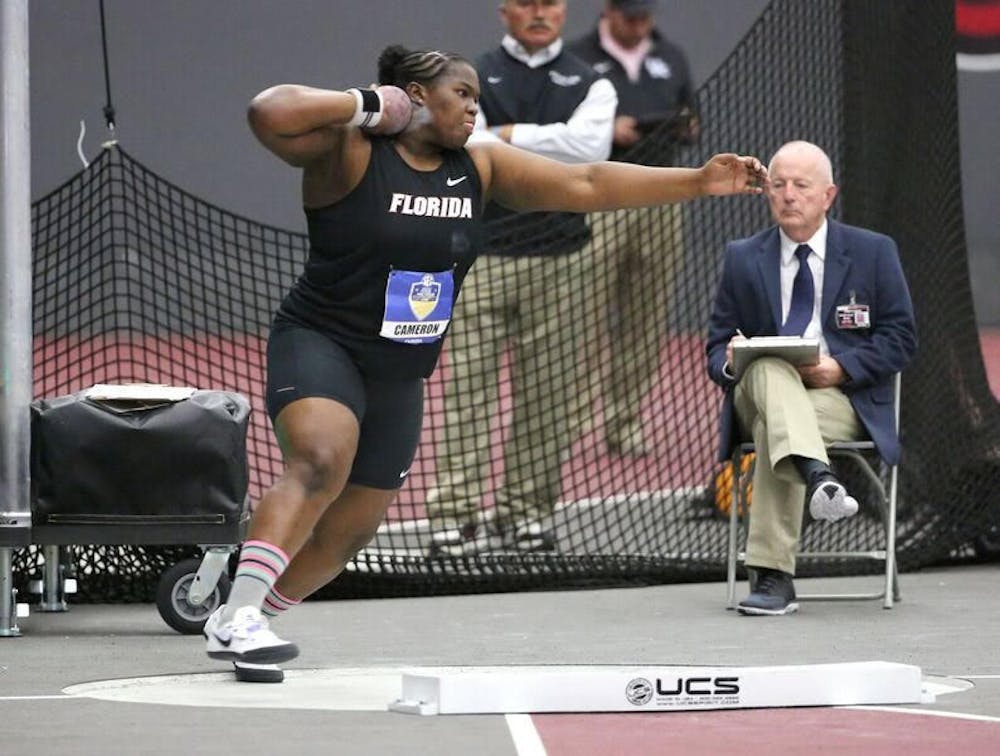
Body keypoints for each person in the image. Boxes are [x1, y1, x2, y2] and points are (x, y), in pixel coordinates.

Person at [203, 42, 767, 679]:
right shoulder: (352, 150)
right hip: (322, 340)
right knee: (321, 459)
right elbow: (267, 111)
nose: (477, 105)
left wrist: (698, 182)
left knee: (349, 535)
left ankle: (245, 611)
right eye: (462, 94)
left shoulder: (480, 166)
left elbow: (585, 182)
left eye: (477, 95)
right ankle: (240, 616)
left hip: (402, 368)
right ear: (415, 96)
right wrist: (370, 106)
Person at [424, 0, 619, 557]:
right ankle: (454, 518)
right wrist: (541, 139)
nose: (540, 13)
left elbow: (591, 151)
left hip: (564, 260)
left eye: (550, 3)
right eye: (527, 3)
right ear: (504, 10)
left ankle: (525, 516)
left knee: (550, 396)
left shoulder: (591, 81)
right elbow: (469, 142)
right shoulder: (471, 76)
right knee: (467, 390)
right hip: (480, 256)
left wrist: (508, 135)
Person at [705, 140, 917, 616]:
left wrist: (839, 368)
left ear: (828, 195)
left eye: (801, 186)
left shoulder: (873, 252)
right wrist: (733, 359)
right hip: (756, 395)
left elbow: (901, 339)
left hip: (839, 401)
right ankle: (819, 477)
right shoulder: (743, 257)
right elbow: (716, 348)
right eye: (778, 185)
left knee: (775, 430)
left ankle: (774, 578)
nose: (788, 195)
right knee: (768, 366)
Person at [569, 0, 699, 456]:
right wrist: (608, 129)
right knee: (584, 310)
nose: (639, 25)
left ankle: (625, 420)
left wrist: (684, 127)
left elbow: (692, 120)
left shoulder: (672, 57)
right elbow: (562, 129)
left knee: (646, 313)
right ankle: (574, 420)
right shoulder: (578, 58)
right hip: (603, 192)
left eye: (645, 16)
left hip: (662, 195)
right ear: (609, 12)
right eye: (630, 17)